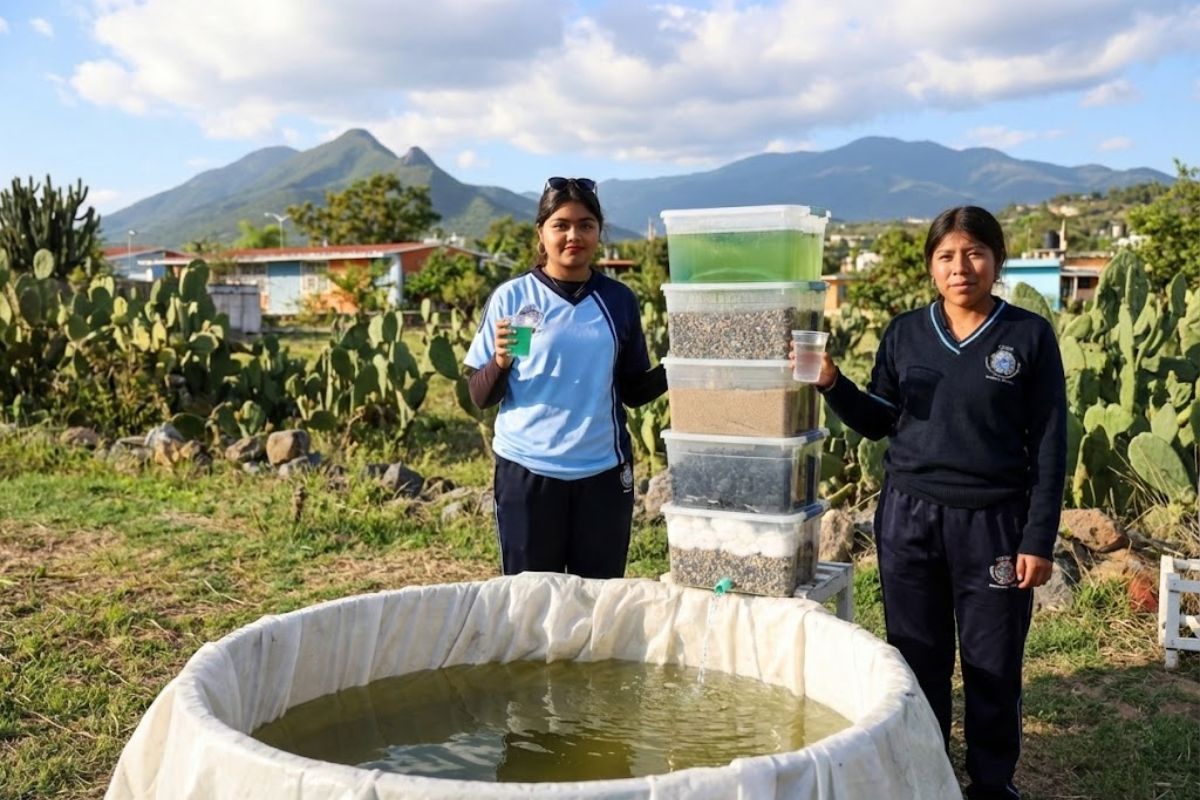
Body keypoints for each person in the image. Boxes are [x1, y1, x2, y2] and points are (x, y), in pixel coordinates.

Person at [810, 206, 1066, 800]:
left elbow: (1052, 442)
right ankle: (925, 774)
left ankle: (991, 784)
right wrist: (833, 386)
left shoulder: (1027, 336)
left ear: (997, 261)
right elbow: (879, 422)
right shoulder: (906, 333)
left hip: (994, 521)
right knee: (916, 658)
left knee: (992, 664)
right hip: (910, 516)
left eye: (975, 253)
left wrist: (1037, 538)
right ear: (931, 267)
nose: (961, 267)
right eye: (947, 255)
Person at [464, 177, 667, 579]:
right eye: (561, 224)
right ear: (541, 231)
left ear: (598, 232)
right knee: (531, 603)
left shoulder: (618, 301)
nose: (574, 235)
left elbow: (631, 391)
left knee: (598, 601)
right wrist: (501, 361)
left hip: (603, 474)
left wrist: (678, 368)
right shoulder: (515, 298)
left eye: (586, 224)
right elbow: (481, 396)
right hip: (527, 472)